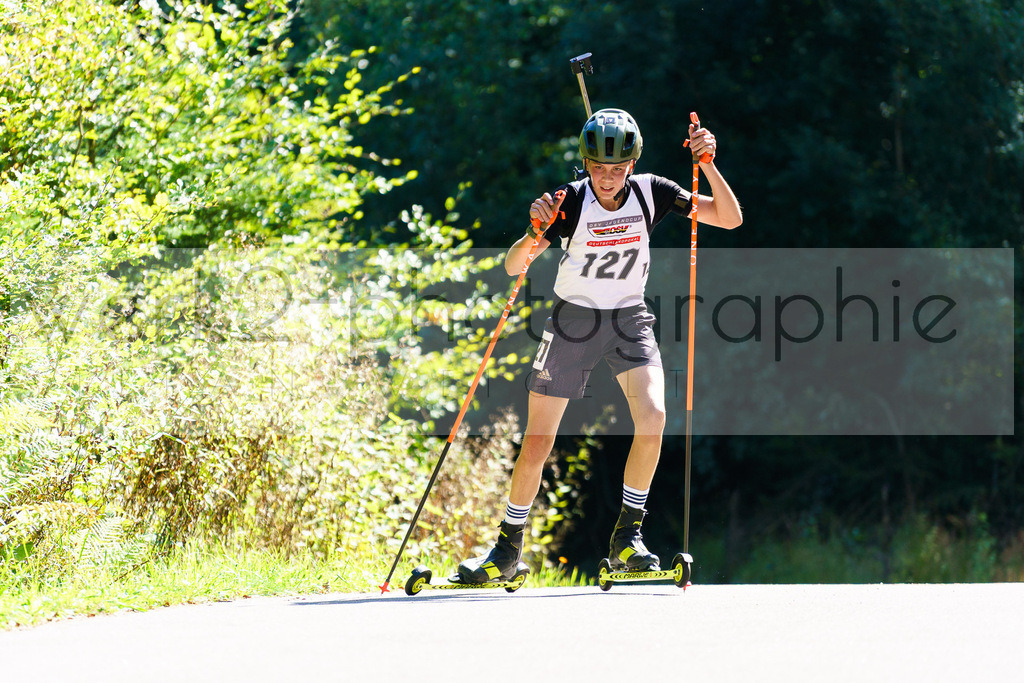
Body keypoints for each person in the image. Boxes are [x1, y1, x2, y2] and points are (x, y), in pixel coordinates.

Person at [457, 108, 742, 583]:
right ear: (585, 164)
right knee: (539, 441)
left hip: (629, 318)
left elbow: (730, 219)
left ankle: (626, 539)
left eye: (616, 169)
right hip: (574, 321)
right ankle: (507, 548)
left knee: (654, 417)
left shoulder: (654, 192)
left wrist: (708, 163)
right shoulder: (569, 202)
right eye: (597, 168)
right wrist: (533, 232)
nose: (607, 178)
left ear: (631, 165)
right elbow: (513, 267)